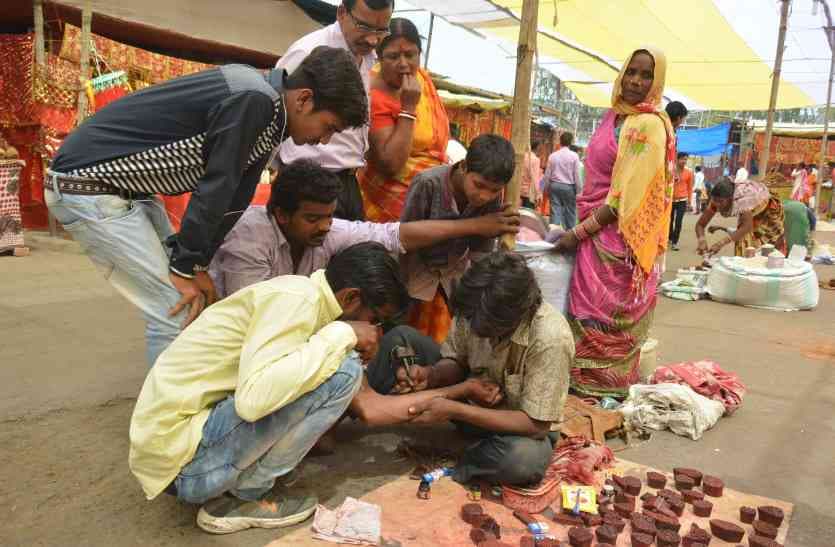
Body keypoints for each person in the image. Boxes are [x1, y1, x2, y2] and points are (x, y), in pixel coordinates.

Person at [45, 47, 367, 366]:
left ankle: (181, 402)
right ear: (304, 99)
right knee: (174, 309)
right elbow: (216, 186)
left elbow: (236, 197)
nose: (324, 141)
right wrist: (185, 267)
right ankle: (166, 417)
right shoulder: (255, 101)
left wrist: (196, 263)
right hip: (87, 185)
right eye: (329, 128)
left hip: (125, 190)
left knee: (191, 299)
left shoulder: (271, 108)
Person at [129, 242, 409, 534]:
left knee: (332, 361)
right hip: (185, 468)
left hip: (179, 456)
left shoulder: (302, 297)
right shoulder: (296, 300)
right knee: (345, 370)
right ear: (351, 297)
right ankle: (250, 494)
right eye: (375, 319)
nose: (375, 330)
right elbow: (253, 400)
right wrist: (345, 332)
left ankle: (244, 480)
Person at [355, 252, 574, 486]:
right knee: (400, 338)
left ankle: (465, 456)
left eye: (487, 330)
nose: (479, 333)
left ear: (513, 318)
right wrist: (431, 374)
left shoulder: (550, 338)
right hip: (471, 397)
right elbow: (457, 361)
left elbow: (536, 426)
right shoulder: (474, 304)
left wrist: (455, 410)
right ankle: (351, 406)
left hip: (517, 427)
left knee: (522, 460)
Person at [553, 46, 676, 398]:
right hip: (594, 237)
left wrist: (578, 232)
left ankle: (606, 393)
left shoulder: (649, 125)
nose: (635, 81)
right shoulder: (613, 117)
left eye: (646, 75)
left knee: (610, 320)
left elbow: (626, 198)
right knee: (585, 315)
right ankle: (581, 390)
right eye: (631, 72)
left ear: (657, 81)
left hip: (622, 245)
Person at [209, 159, 520, 298]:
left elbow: (391, 235)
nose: (325, 227)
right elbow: (251, 314)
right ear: (281, 215)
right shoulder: (250, 237)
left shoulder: (327, 232)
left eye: (329, 217)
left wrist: (474, 226)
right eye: (313, 218)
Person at [275, 0, 395, 221]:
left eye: (381, 31)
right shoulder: (307, 50)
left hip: (348, 182)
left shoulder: (368, 59)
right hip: (307, 185)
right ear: (341, 12)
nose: (372, 39)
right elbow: (276, 111)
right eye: (364, 27)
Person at [400, 133, 516, 343]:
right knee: (408, 333)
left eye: (494, 190)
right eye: (478, 185)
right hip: (416, 270)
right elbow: (405, 238)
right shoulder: (428, 183)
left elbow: (480, 253)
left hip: (453, 272)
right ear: (463, 167)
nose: (484, 196)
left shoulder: (492, 199)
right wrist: (477, 226)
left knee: (449, 336)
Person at [359, 18, 450, 223]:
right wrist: (408, 107)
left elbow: (440, 138)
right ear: (379, 58)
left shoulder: (422, 79)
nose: (403, 64)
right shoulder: (371, 92)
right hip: (386, 204)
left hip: (430, 187)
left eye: (410, 55)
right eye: (393, 56)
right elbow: (392, 165)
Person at [695, 177, 787, 257]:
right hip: (751, 214)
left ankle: (744, 267)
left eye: (721, 201)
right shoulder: (716, 201)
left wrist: (720, 243)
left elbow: (746, 227)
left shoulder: (742, 200)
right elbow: (700, 224)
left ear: (731, 199)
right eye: (715, 200)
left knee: (746, 241)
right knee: (748, 240)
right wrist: (701, 240)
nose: (717, 205)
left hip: (767, 212)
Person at [544, 132, 582, 228]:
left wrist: (546, 188)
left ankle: (553, 235)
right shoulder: (574, 156)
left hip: (555, 186)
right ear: (571, 142)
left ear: (560, 141)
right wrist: (579, 191)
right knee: (570, 212)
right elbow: (577, 175)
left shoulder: (553, 155)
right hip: (569, 187)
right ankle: (569, 234)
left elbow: (547, 175)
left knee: (555, 211)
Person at [669, 152, 693, 251]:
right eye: (682, 159)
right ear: (677, 160)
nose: (684, 161)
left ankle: (675, 242)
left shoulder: (689, 173)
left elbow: (690, 188)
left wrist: (689, 201)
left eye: (686, 159)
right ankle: (670, 237)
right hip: (671, 200)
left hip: (682, 200)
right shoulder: (671, 171)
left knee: (678, 222)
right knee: (669, 221)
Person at [520, 139, 543, 209]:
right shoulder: (535, 160)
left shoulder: (523, 156)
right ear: (538, 147)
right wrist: (538, 194)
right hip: (528, 193)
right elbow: (535, 179)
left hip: (519, 190)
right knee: (527, 215)